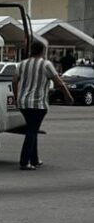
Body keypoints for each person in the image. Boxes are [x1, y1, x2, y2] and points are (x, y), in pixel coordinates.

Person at [13, 39, 72, 170]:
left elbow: (14, 81)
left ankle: (34, 159)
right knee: (32, 131)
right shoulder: (46, 65)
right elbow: (59, 83)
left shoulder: (22, 64)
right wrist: (68, 96)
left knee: (32, 129)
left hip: (23, 102)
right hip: (38, 104)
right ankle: (24, 161)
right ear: (43, 51)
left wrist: (17, 97)